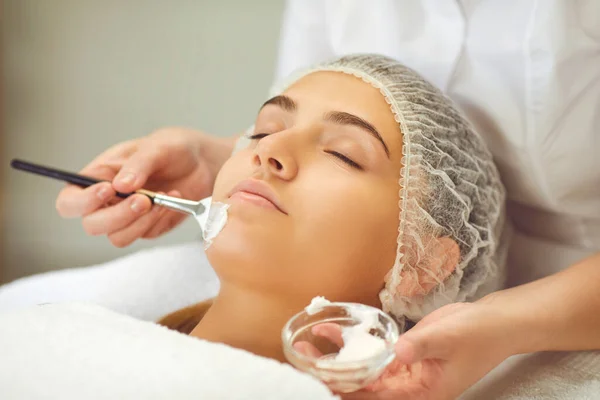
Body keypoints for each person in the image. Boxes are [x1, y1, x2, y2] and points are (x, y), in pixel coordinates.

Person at [27, 0, 600, 398]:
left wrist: (507, 324)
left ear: (424, 263)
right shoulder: (41, 335)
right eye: (260, 129)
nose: (266, 152)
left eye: (346, 155)